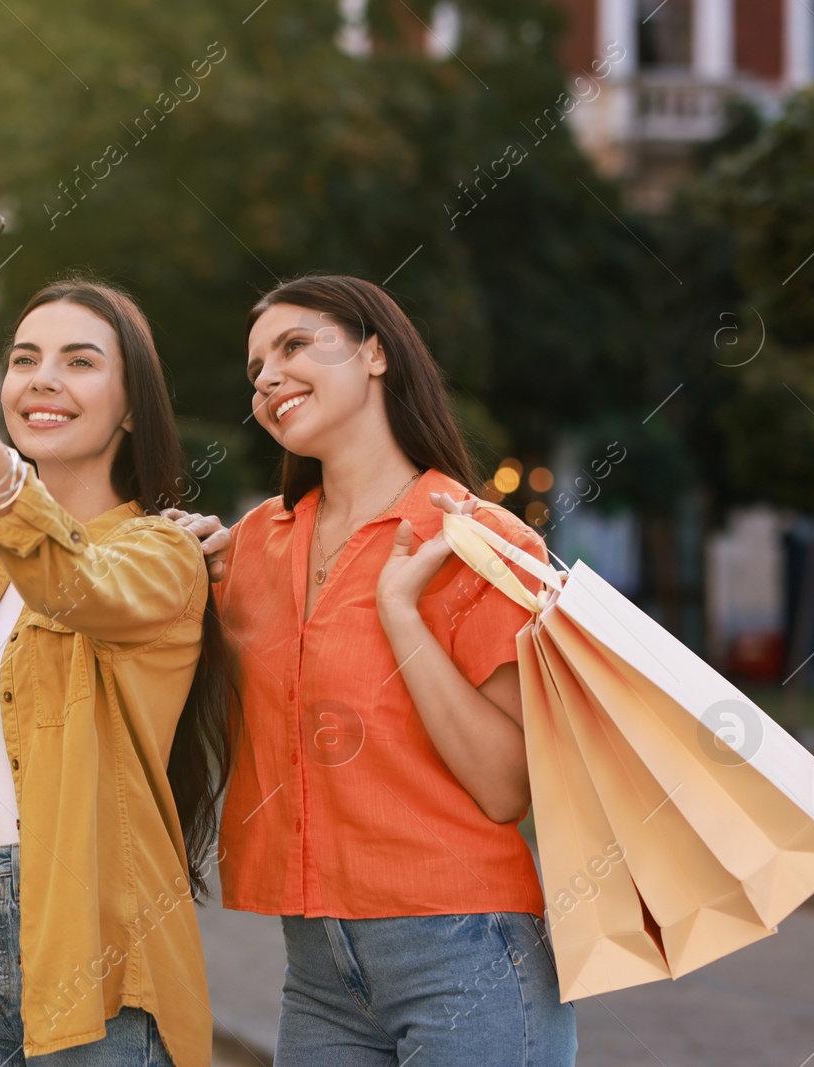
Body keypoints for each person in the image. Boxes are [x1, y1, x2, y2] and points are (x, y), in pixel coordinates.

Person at [164, 274, 577, 1066]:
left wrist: (400, 611)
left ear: (377, 351)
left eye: (293, 346)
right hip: (317, 971)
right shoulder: (254, 545)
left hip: (468, 955)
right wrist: (170, 571)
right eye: (255, 369)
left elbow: (505, 786)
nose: (269, 378)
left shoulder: (479, 539)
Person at [0, 248, 230, 1067]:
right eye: (24, 359)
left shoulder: (162, 555)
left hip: (97, 961)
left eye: (80, 361)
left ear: (132, 408)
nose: (42, 379)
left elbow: (74, 580)